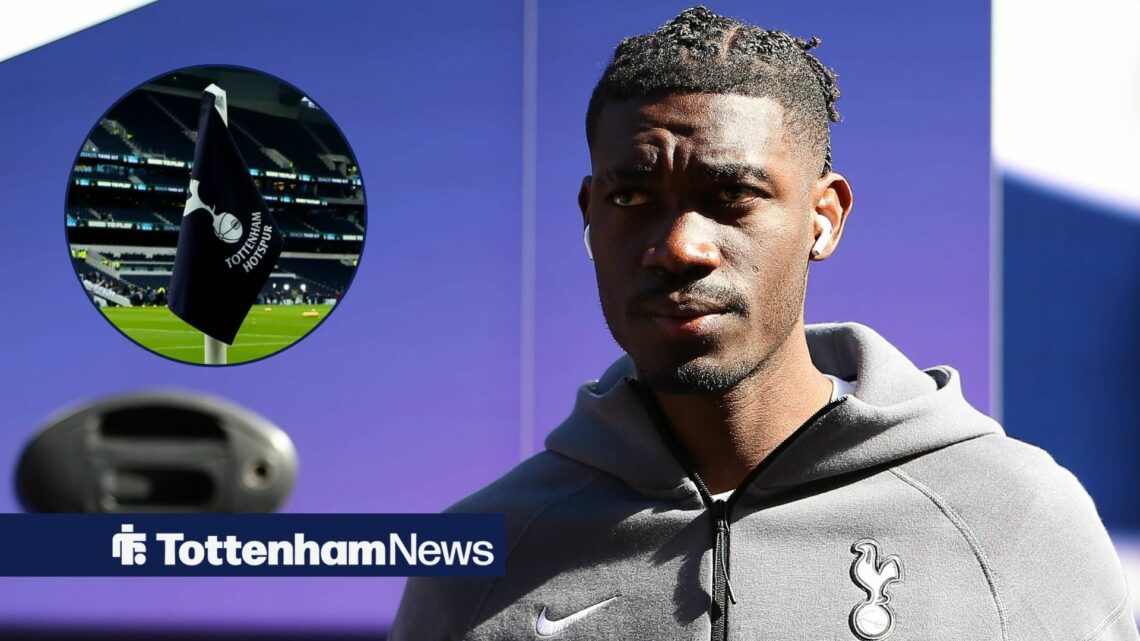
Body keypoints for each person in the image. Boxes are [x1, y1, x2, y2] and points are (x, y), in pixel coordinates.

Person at [390, 7, 1137, 640]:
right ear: (588, 215)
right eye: (631, 198)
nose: (680, 245)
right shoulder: (481, 558)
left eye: (732, 196)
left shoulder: (1013, 522)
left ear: (824, 216)